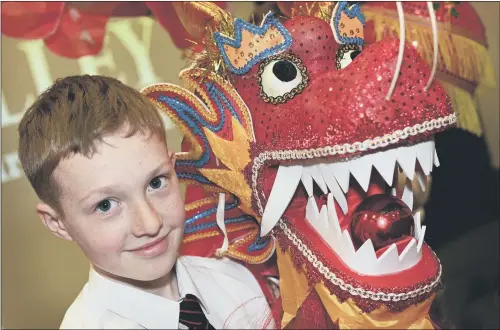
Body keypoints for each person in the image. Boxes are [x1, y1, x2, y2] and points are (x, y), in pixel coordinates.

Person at [18, 75, 274, 329]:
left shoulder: (237, 284)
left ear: (175, 170)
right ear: (57, 223)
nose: (150, 223)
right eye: (106, 205)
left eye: (156, 183)